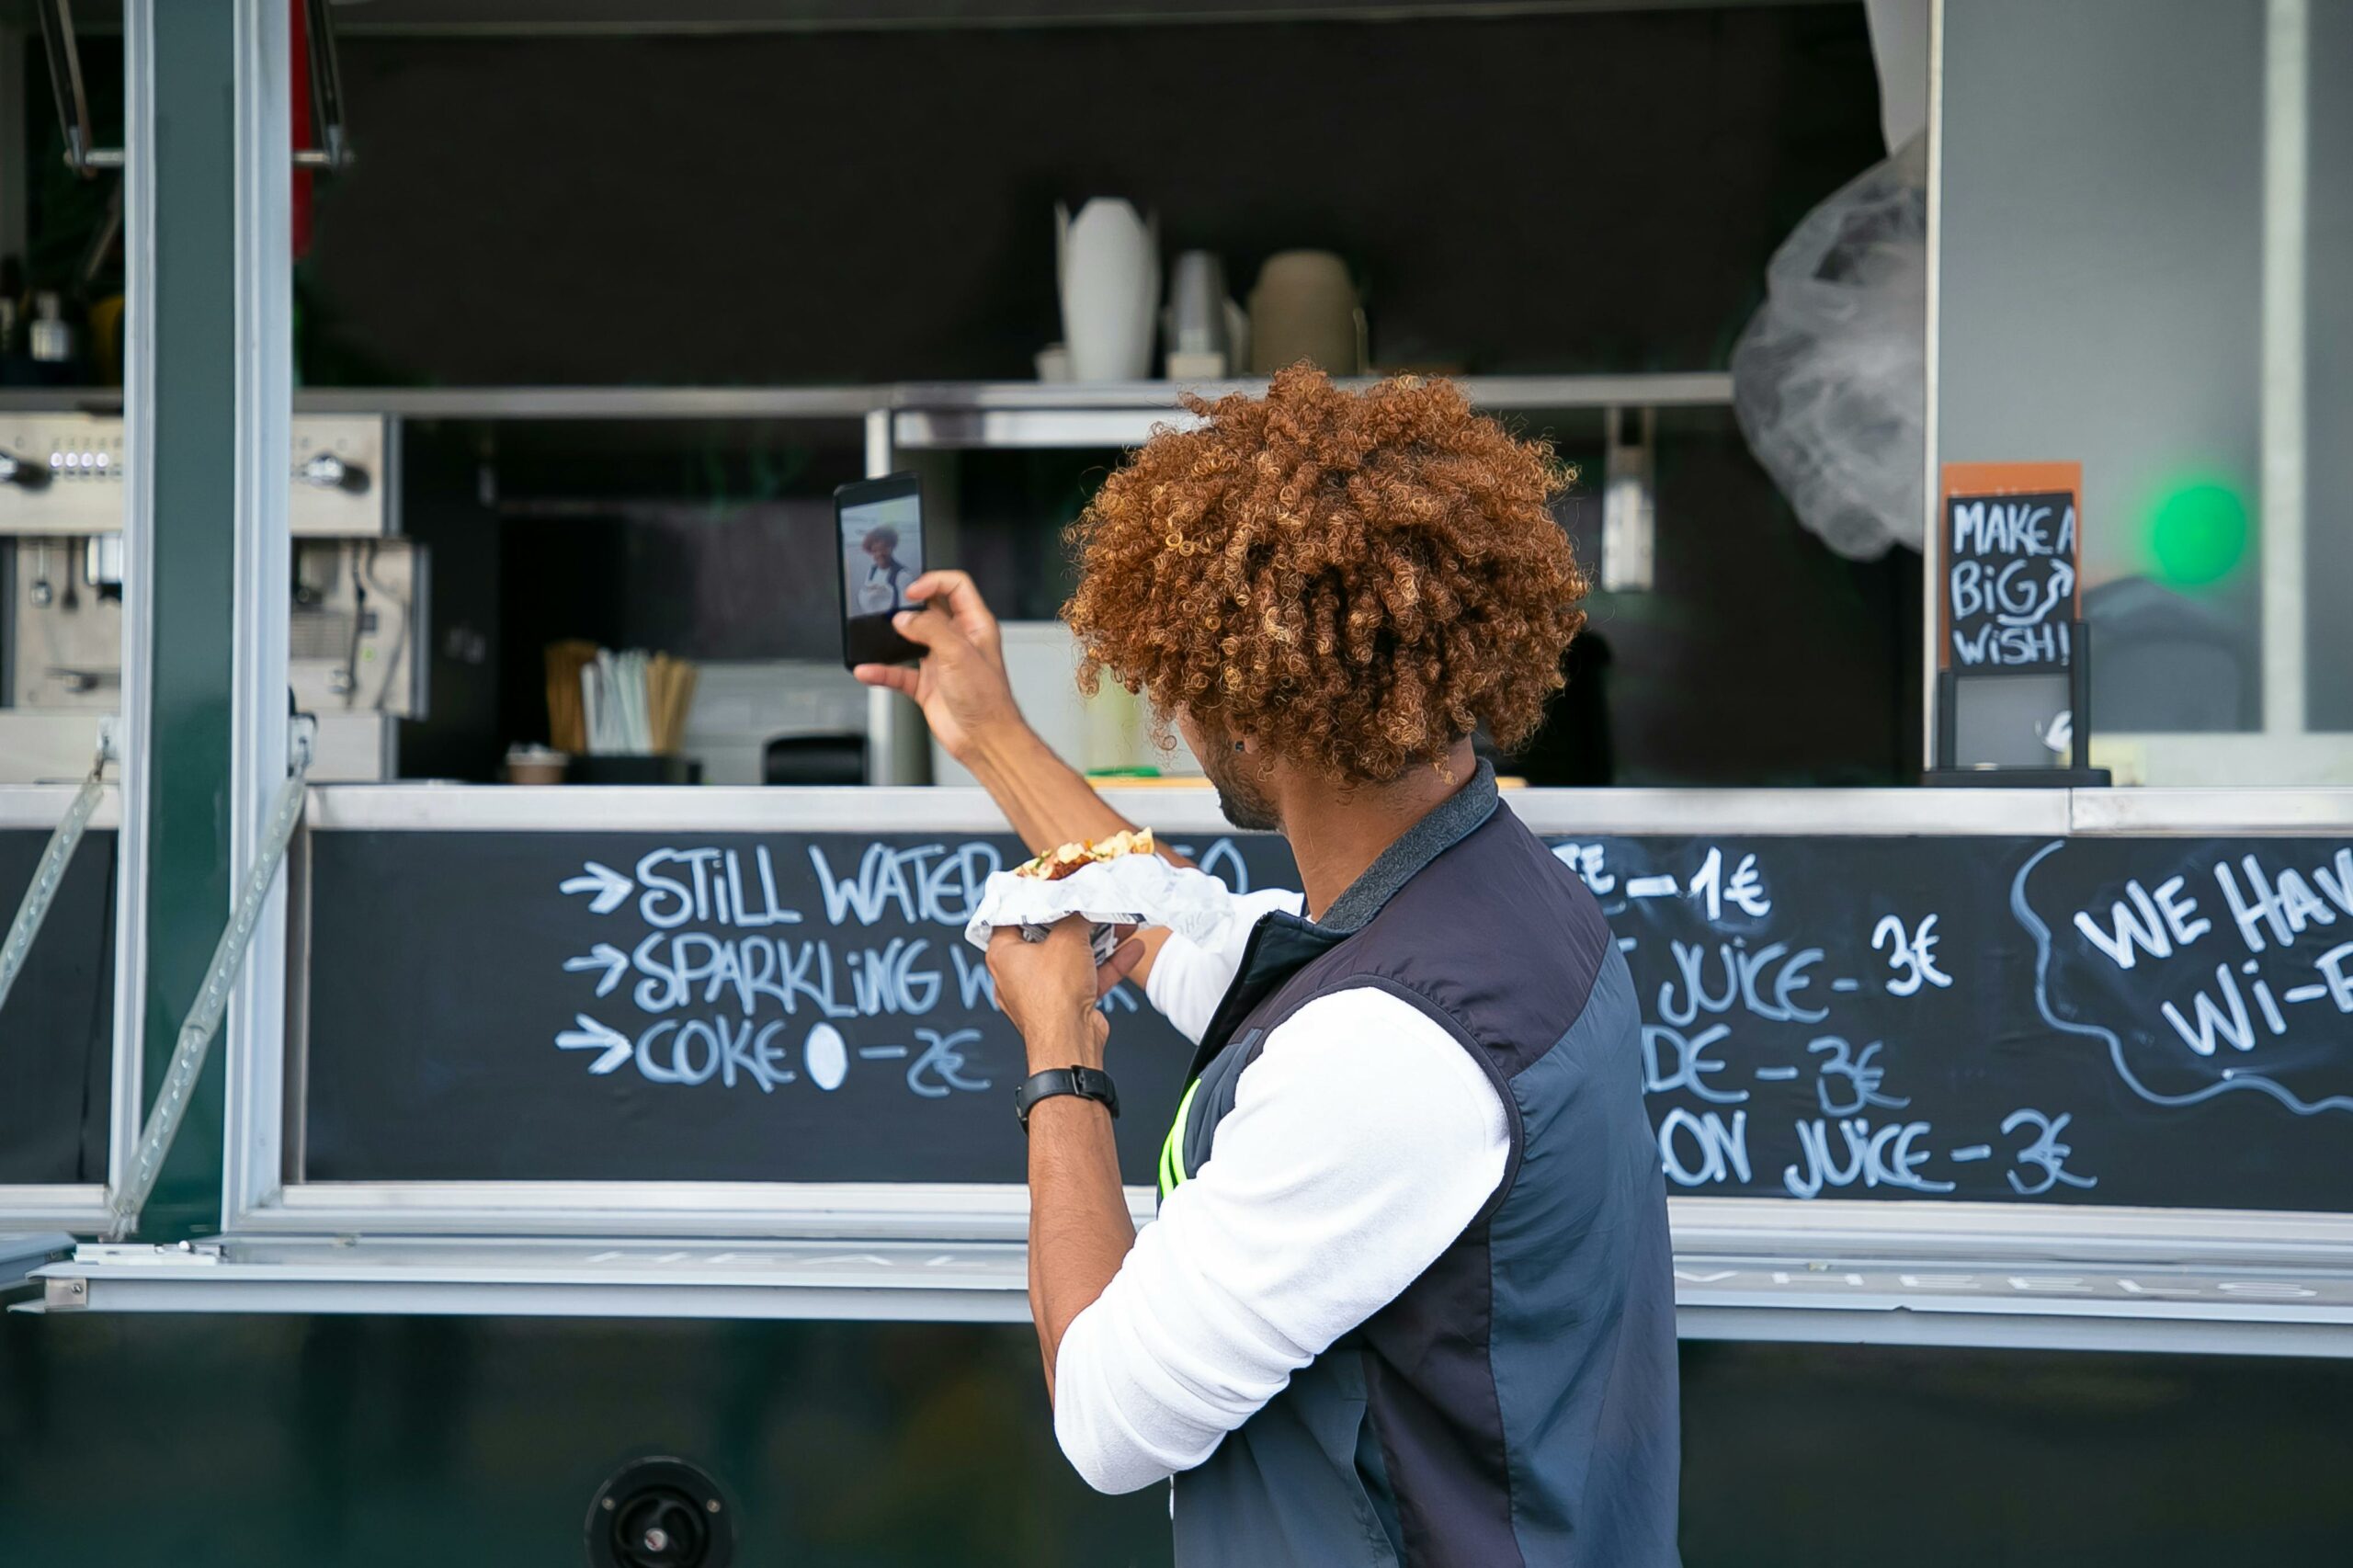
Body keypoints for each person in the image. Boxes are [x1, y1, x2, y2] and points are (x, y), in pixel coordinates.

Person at [854, 368, 1679, 1567]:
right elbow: (1184, 925)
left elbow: (1106, 1414)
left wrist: (1061, 1053)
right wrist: (987, 727)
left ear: (1250, 715)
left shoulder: (1388, 1051)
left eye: (1183, 683)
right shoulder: (1491, 893)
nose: (1174, 711)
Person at [857, 524, 915, 614]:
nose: (879, 554)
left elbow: (908, 608)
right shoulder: (872, 571)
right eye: (875, 551)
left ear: (891, 548)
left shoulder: (903, 574)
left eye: (883, 549)